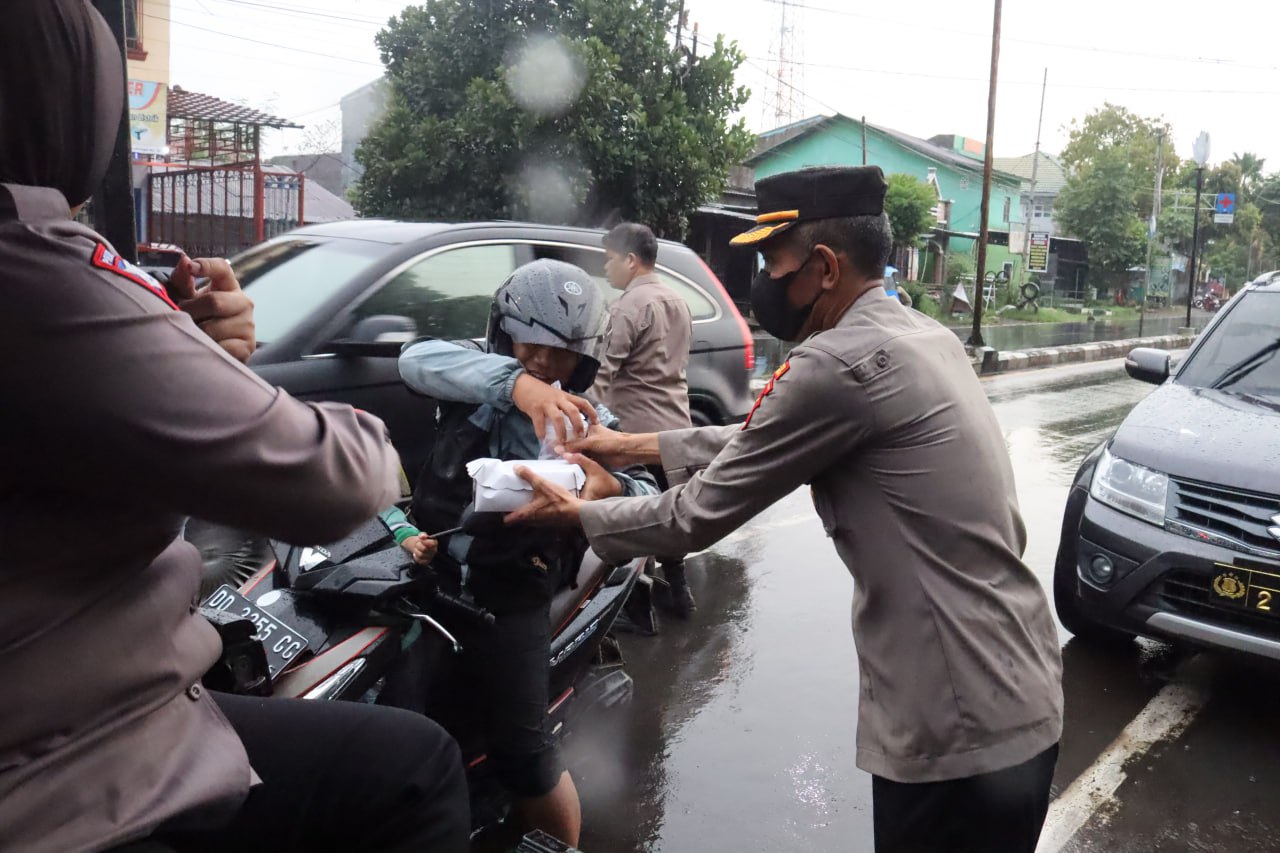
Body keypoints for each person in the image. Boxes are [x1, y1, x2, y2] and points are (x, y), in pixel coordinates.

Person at [0, 3, 468, 850]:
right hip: (69, 762)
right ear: (73, 106)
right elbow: (339, 477)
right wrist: (188, 347)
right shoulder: (37, 268)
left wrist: (179, 345)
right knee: (415, 768)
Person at [507, 166, 1065, 853]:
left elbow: (694, 516)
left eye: (774, 260)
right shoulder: (919, 335)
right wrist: (629, 445)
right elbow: (764, 433)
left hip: (958, 722)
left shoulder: (837, 364)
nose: (764, 280)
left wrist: (579, 513)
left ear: (824, 266)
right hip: (1018, 685)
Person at [394, 259, 660, 846]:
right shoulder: (471, 370)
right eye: (529, 345)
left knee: (526, 751)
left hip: (515, 583)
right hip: (428, 565)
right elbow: (413, 360)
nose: (542, 362)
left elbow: (648, 488)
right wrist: (516, 385)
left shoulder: (589, 420)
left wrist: (607, 486)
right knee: (394, 718)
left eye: (560, 354)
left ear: (583, 360)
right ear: (503, 331)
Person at [595, 222, 697, 616]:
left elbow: (604, 372)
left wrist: (582, 417)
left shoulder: (628, 306)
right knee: (667, 511)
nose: (607, 269)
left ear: (631, 261)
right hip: (675, 425)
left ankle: (637, 605)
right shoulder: (678, 301)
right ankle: (677, 590)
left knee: (632, 515)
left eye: (610, 260)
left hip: (634, 432)